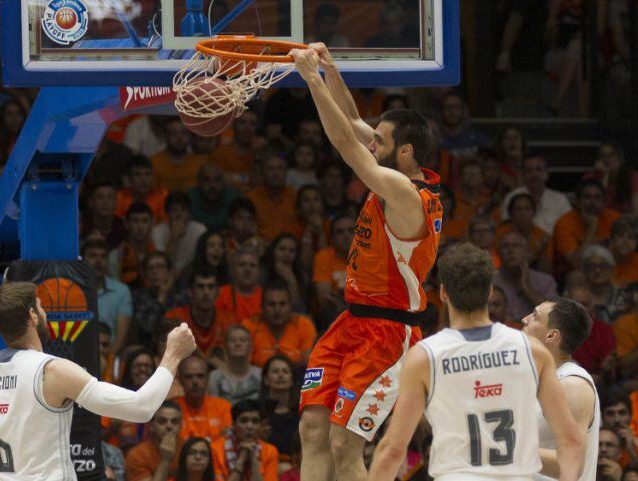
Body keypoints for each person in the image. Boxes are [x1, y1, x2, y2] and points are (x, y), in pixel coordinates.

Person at [291, 44, 442, 481]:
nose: (370, 141)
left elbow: (343, 141)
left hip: (388, 333)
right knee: (313, 429)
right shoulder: (396, 167)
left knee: (344, 442)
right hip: (352, 321)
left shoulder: (406, 195)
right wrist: (331, 70)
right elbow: (353, 124)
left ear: (406, 152)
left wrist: (311, 81)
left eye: (381, 141)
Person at [366, 243, 584, 481]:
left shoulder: (424, 356)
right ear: (490, 291)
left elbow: (393, 450)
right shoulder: (532, 351)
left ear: (443, 293)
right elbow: (571, 442)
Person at [0, 281, 197, 479]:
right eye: (40, 305)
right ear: (32, 315)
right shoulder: (52, 371)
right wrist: (172, 355)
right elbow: (140, 408)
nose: (44, 310)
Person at [522, 298, 599, 481]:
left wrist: (511, 448)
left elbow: (572, 464)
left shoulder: (573, 385)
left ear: (552, 335)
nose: (525, 319)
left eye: (535, 316)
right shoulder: (530, 379)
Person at [241, 280, 317, 368]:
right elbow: (241, 366)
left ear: (290, 306)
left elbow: (312, 366)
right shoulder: (249, 326)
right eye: (271, 304)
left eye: (282, 304)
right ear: (262, 307)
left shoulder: (304, 325)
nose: (277, 310)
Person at [164, 267, 236, 359]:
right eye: (200, 287)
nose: (206, 292)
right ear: (190, 292)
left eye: (210, 287)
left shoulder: (229, 320)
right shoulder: (174, 317)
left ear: (218, 292)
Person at [82, 239, 133, 354]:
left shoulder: (121, 291)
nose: (98, 261)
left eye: (103, 256)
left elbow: (121, 336)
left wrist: (107, 361)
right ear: (83, 260)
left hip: (110, 354)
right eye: (92, 256)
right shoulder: (74, 290)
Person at [211, 400, 279, 481]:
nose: (249, 426)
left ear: (260, 426)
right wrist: (241, 459)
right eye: (243, 421)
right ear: (233, 424)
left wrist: (253, 459)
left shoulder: (270, 451)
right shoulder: (215, 449)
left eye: (255, 421)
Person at [174, 355, 232, 440]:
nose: (195, 382)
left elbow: (226, 443)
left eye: (200, 376)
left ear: (208, 378)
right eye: (189, 377)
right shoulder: (172, 408)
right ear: (180, 380)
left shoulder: (223, 406)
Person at [124, 401, 185, 481]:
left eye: (174, 421)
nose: (169, 426)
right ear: (152, 426)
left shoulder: (188, 449)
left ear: (181, 425)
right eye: (162, 421)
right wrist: (165, 461)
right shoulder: (137, 456)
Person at [207, 325, 262, 404]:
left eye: (243, 340)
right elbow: (213, 408)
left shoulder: (260, 375)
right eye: (232, 340)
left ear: (251, 347)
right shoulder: (215, 377)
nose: (238, 344)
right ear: (225, 348)